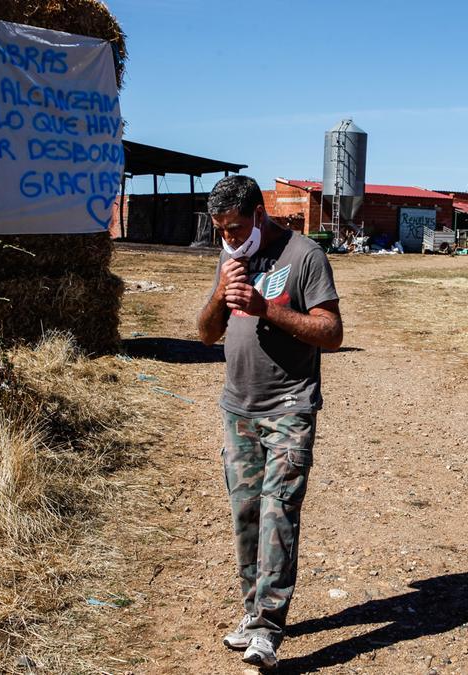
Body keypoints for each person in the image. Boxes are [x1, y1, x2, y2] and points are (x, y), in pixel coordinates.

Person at [197, 175, 343, 669]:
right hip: (238, 407)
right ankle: (251, 612)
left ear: (259, 214)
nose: (229, 238)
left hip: (289, 407)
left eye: (236, 228)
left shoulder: (305, 256)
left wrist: (267, 310)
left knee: (278, 513)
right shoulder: (230, 256)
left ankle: (266, 627)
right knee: (246, 516)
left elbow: (331, 332)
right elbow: (206, 334)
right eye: (221, 230)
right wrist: (221, 292)